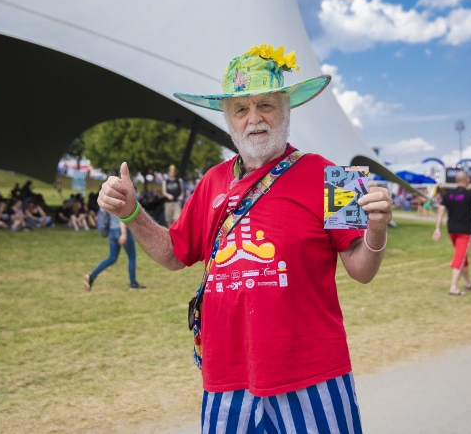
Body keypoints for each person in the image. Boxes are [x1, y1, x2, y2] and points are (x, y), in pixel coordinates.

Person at [98, 43, 392, 431]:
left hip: (313, 376)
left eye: (266, 105)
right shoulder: (211, 182)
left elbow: (361, 269)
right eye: (241, 109)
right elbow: (173, 253)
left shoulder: (333, 177)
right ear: (229, 120)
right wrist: (131, 213)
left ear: (286, 110)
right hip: (227, 381)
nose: (255, 119)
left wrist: (376, 229)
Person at [432, 171, 471, 295]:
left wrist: (437, 228)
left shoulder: (448, 194)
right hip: (465, 231)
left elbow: (440, 212)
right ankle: (453, 287)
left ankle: (468, 282)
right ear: (467, 180)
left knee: (462, 256)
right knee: (459, 258)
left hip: (452, 230)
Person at [84, 209, 144, 291]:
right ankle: (133, 283)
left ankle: (92, 276)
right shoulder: (121, 199)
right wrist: (124, 233)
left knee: (112, 258)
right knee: (131, 256)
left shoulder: (110, 199)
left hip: (111, 232)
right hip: (121, 230)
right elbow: (122, 215)